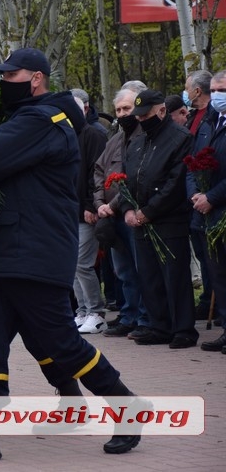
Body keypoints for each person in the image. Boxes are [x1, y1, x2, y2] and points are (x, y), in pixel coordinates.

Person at [0, 48, 140, 464]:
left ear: (37, 78)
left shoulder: (40, 118)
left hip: (32, 252)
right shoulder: (31, 116)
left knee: (62, 344)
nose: (4, 81)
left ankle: (127, 408)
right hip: (7, 250)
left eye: (12, 74)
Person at [121, 89, 197, 348]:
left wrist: (148, 211)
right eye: (139, 116)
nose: (141, 120)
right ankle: (159, 325)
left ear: (162, 111)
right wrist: (128, 209)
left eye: (146, 115)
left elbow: (175, 183)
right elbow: (126, 179)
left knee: (174, 276)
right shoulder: (138, 141)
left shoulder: (180, 138)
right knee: (150, 277)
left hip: (168, 219)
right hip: (141, 220)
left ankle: (183, 329)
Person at [96, 88, 150, 339]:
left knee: (142, 269)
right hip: (111, 216)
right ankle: (128, 316)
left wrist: (113, 204)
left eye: (127, 109)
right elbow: (98, 172)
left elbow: (133, 177)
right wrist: (99, 203)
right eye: (118, 110)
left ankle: (145, 317)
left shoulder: (144, 136)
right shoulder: (114, 140)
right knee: (123, 272)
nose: (122, 114)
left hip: (132, 213)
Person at [189, 70, 226, 353]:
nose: (216, 96)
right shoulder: (208, 123)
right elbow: (193, 162)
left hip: (219, 206)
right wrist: (197, 194)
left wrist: (212, 196)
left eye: (222, 90)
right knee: (217, 274)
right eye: (213, 90)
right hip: (207, 212)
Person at [69, 92, 108, 333]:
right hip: (69, 211)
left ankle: (96, 310)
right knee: (72, 264)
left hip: (85, 210)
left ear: (84, 109)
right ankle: (82, 310)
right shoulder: (69, 133)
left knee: (83, 263)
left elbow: (96, 172)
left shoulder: (93, 134)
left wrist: (89, 205)